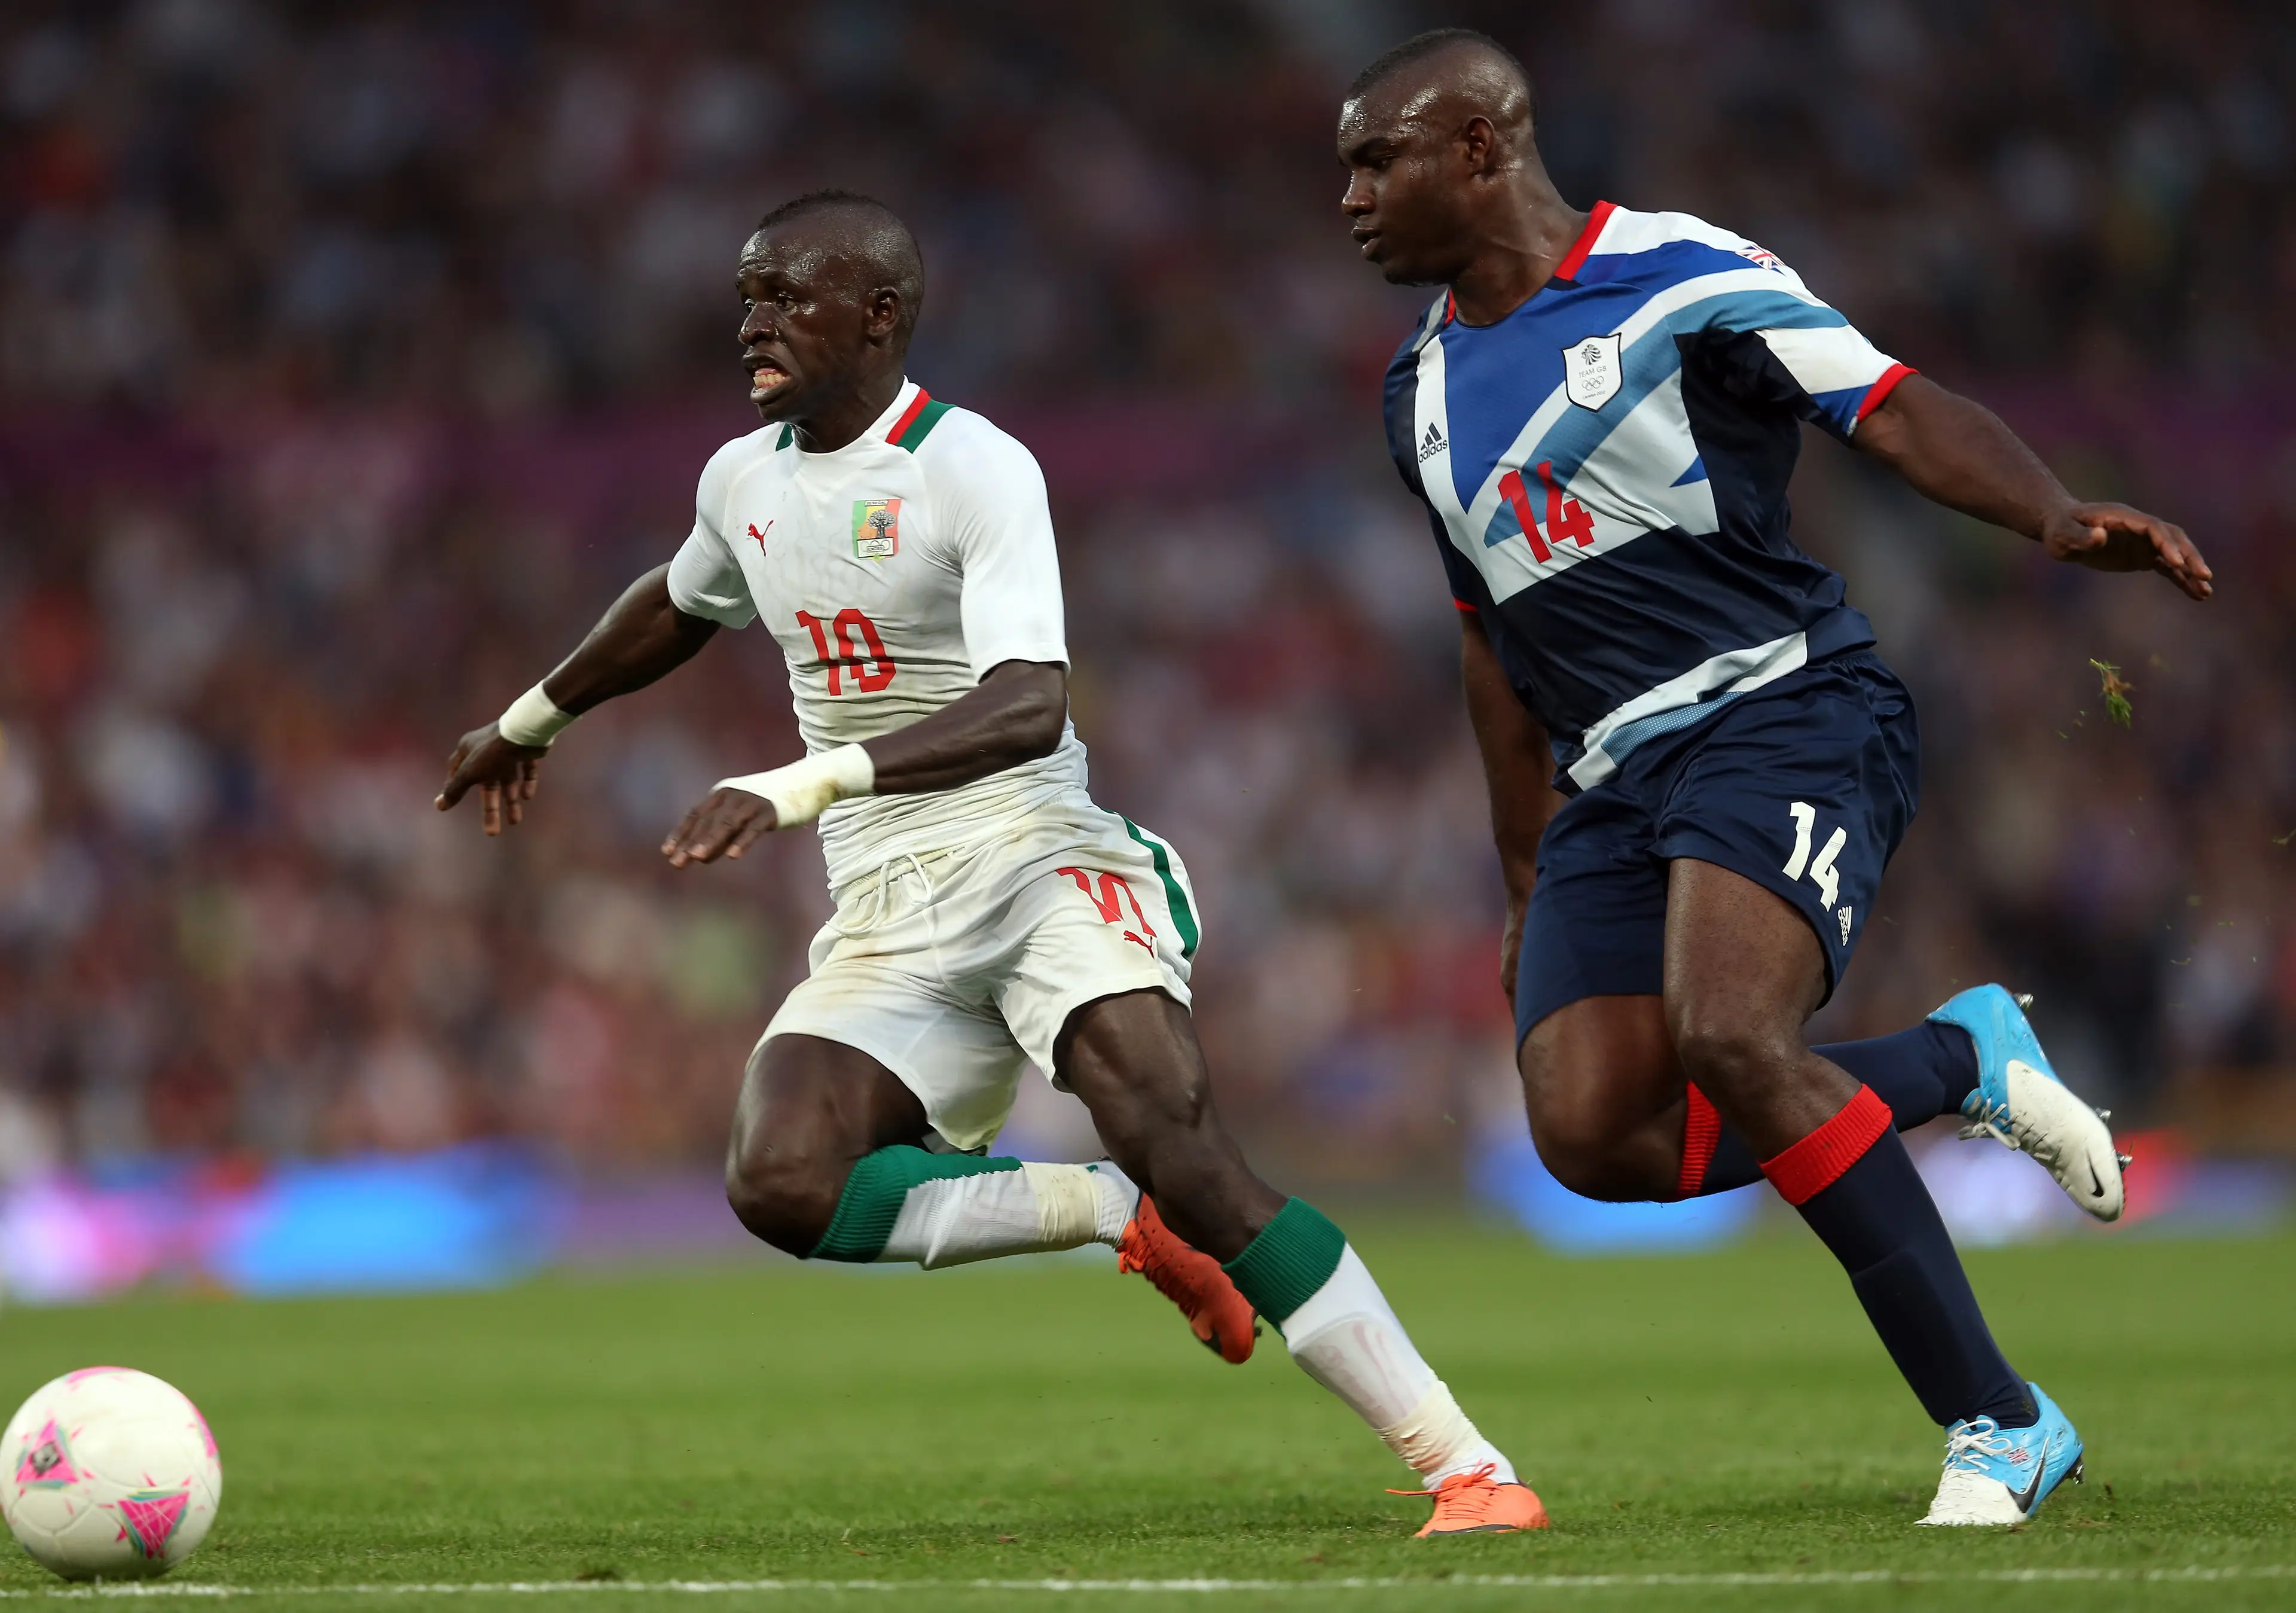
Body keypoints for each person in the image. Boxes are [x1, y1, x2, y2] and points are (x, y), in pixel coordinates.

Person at [435, 191, 1543, 1537]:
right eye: (748, 296)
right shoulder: (744, 477)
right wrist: (525, 720)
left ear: (881, 314)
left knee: (1173, 1126)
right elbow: (681, 599)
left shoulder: (974, 467)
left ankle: (1467, 1467)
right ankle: (1104, 1210)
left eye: (787, 296)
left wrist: (801, 779)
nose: (754, 323)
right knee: (782, 1183)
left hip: (1034, 855)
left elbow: (1030, 702)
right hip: (887, 903)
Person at [1337, 31, 2212, 1527]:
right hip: (1613, 775)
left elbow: (1888, 401)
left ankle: (2001, 1418)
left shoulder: (1675, 276)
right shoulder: (1417, 387)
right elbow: (1493, 642)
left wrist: (2053, 515)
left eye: (1376, 158)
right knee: (1595, 1133)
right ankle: (1958, 1061)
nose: (1348, 195)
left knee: (1734, 1035)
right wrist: (1527, 869)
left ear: (1480, 149)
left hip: (1785, 706)